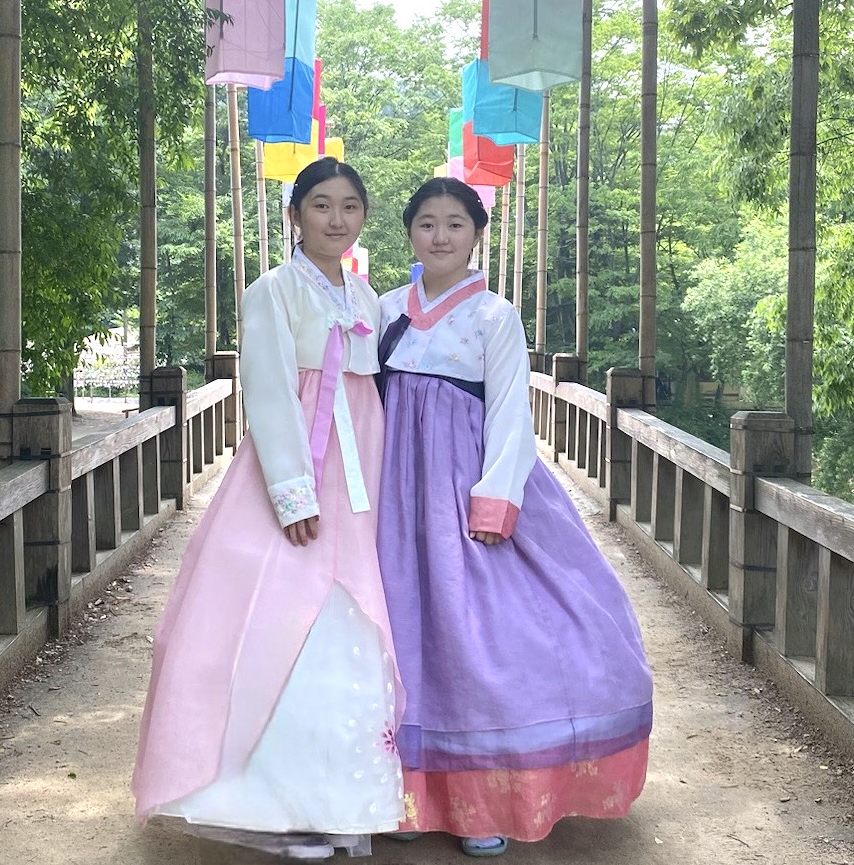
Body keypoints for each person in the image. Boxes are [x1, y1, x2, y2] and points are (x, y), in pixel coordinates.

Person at [132, 157, 405, 860]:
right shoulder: (273, 291)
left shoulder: (367, 297)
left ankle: (342, 800)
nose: (335, 219)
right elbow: (270, 391)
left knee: (351, 618)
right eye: (320, 205)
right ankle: (278, 804)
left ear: (362, 218)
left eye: (349, 206)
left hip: (361, 467)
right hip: (303, 465)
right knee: (285, 614)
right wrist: (291, 491)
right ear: (295, 216)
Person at [376, 177, 653, 858]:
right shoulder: (381, 307)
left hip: (462, 484)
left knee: (476, 639)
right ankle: (386, 793)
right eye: (426, 224)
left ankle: (484, 800)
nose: (439, 236)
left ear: (475, 235)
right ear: (408, 233)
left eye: (454, 225)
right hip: (389, 490)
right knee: (391, 632)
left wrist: (494, 499)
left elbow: (508, 414)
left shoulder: (494, 315)